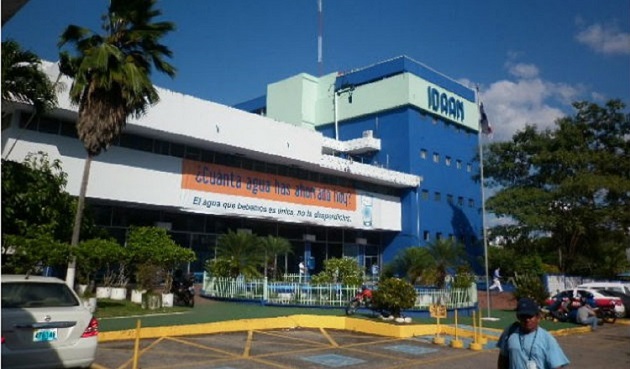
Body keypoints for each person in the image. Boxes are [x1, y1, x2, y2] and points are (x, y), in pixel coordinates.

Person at [497, 298, 570, 369]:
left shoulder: (547, 338)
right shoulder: (510, 332)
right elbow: (503, 359)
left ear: (538, 317)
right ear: (518, 317)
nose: (527, 320)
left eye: (530, 316)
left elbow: (557, 366)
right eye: (523, 316)